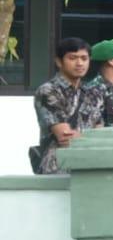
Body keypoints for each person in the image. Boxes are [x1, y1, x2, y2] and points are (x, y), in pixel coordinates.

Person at [32, 37, 94, 174]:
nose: (79, 63)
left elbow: (101, 131)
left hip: (88, 167)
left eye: (84, 58)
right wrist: (93, 138)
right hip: (57, 168)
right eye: (73, 58)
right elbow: (66, 137)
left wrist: (84, 137)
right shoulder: (48, 91)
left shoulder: (92, 93)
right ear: (59, 62)